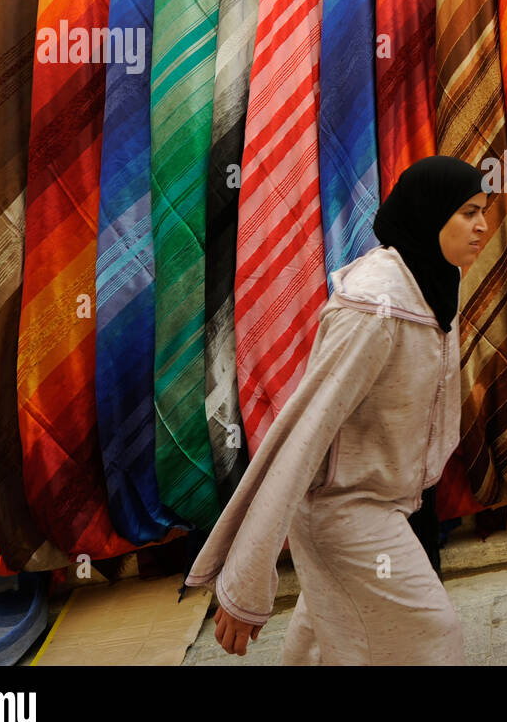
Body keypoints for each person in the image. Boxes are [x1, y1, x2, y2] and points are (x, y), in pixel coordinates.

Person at [184, 155, 489, 665]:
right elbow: (304, 431)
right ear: (429, 213)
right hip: (345, 512)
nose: (482, 225)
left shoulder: (434, 282)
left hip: (383, 504)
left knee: (329, 642)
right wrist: (246, 576)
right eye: (466, 212)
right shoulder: (374, 308)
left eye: (484, 210)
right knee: (433, 634)